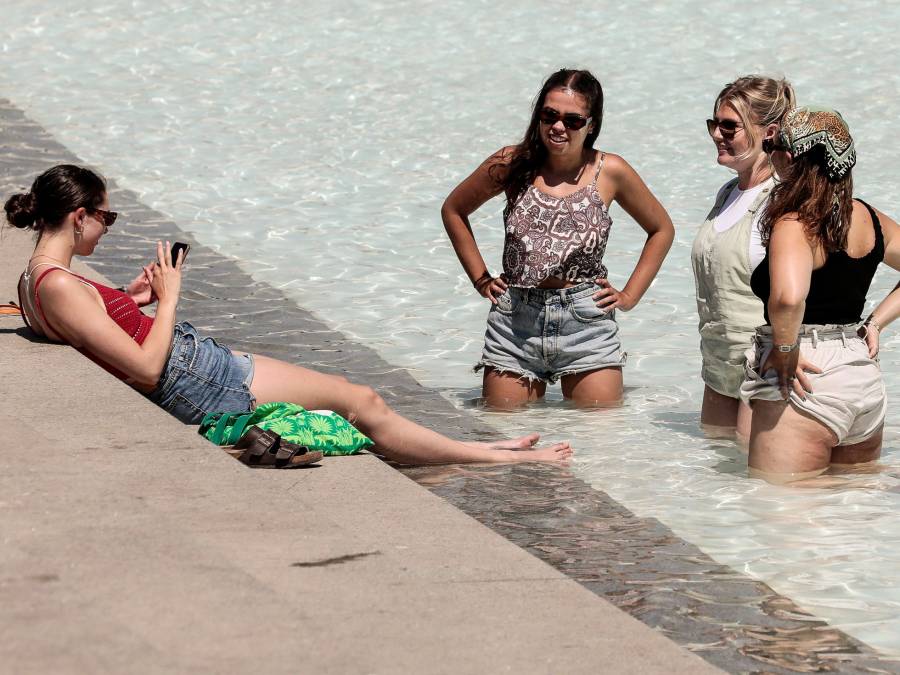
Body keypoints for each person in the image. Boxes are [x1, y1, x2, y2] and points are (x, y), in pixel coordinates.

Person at [6, 164, 573, 467]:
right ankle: (488, 456)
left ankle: (476, 449)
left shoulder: (33, 278)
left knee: (354, 401)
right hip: (195, 378)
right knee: (362, 401)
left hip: (196, 367)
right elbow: (148, 369)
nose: (108, 226)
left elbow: (91, 327)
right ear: (78, 216)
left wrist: (131, 300)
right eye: (105, 215)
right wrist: (172, 295)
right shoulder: (61, 287)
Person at [442, 69, 674, 409]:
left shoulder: (610, 171)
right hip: (515, 321)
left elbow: (661, 229)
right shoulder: (512, 162)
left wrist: (629, 296)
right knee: (502, 434)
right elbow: (454, 210)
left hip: (587, 322)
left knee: (599, 439)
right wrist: (480, 279)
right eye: (549, 115)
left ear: (591, 124)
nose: (558, 127)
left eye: (572, 120)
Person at [739, 107, 900, 483]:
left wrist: (783, 348)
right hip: (860, 374)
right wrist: (875, 322)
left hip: (807, 377)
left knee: (780, 518)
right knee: (846, 518)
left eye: (772, 145)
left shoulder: (795, 223)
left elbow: (788, 299)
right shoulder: (868, 217)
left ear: (789, 157)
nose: (768, 152)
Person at [691, 75, 795, 436]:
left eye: (729, 126)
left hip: (765, 371)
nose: (717, 134)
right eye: (714, 124)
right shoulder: (726, 193)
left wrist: (871, 324)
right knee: (718, 475)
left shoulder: (784, 198)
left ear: (769, 132)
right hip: (718, 365)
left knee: (764, 487)